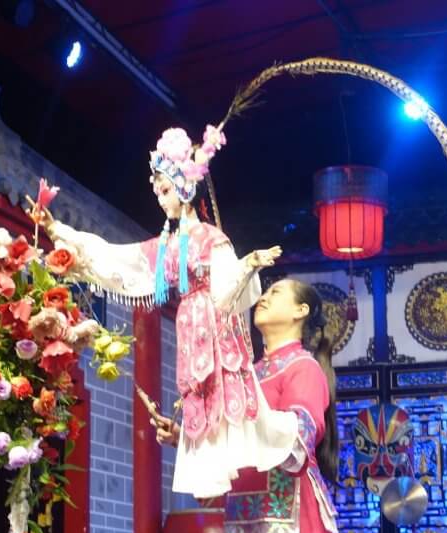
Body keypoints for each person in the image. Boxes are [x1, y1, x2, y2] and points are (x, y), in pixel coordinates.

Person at [33, 125, 299, 500]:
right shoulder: (169, 245)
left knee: (223, 389)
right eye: (157, 192)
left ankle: (251, 450)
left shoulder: (211, 239)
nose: (161, 199)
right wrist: (58, 230)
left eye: (166, 190)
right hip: (191, 327)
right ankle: (209, 472)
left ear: (185, 188)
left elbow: (226, 292)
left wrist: (249, 264)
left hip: (215, 323)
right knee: (198, 393)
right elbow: (118, 257)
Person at [156, 278, 368, 533]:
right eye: (265, 292)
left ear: (301, 312)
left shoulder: (303, 367)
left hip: (293, 508)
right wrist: (184, 436)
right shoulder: (248, 373)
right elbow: (230, 435)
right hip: (250, 508)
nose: (264, 296)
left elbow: (304, 429)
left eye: (277, 293)